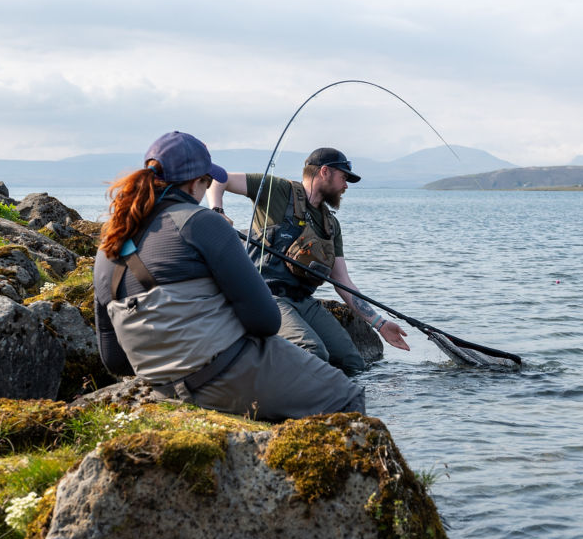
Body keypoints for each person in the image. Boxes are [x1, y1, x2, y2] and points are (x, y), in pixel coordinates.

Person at [93, 132, 364, 421]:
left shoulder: (107, 250)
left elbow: (115, 361)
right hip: (221, 377)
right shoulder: (201, 223)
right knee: (347, 396)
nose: (208, 187)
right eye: (207, 181)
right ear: (195, 182)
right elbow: (266, 321)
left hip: (163, 389)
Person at [206, 147, 410, 373]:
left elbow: (343, 282)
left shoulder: (331, 226)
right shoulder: (279, 190)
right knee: (313, 351)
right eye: (343, 177)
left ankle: (345, 405)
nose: (346, 186)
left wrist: (380, 325)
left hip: (304, 301)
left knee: (352, 360)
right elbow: (219, 178)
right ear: (325, 172)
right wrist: (216, 211)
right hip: (266, 296)